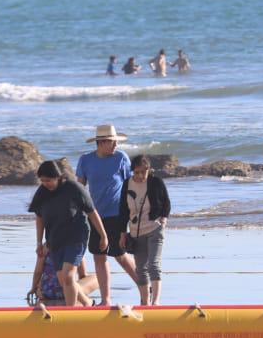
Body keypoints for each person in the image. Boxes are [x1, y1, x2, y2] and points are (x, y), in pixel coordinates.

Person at [76, 124, 141, 306]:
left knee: (119, 254)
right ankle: (106, 299)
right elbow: (80, 186)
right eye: (112, 142)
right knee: (99, 255)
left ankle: (144, 286)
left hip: (117, 213)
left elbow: (131, 184)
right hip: (94, 214)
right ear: (101, 143)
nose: (115, 146)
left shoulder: (121, 158)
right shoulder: (85, 160)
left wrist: (135, 209)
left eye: (115, 142)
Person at [29, 160, 109, 307]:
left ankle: (70, 312)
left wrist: (103, 235)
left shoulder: (73, 188)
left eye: (49, 180)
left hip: (76, 237)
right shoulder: (42, 192)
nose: (46, 183)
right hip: (55, 240)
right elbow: (39, 217)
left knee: (67, 276)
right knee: (63, 279)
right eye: (43, 181)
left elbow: (91, 212)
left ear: (58, 177)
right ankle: (88, 303)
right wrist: (39, 242)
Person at [118, 154, 171, 305]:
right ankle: (145, 302)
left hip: (155, 229)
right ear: (132, 171)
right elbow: (123, 211)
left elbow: (166, 203)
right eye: (137, 172)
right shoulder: (127, 184)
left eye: (144, 172)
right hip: (136, 232)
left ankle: (156, 302)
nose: (141, 176)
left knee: (153, 265)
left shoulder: (156, 182)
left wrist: (164, 219)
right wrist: (123, 234)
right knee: (141, 269)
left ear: (149, 170)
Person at [29, 248, 100, 307]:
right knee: (96, 277)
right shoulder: (75, 246)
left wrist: (34, 288)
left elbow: (38, 272)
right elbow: (82, 275)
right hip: (67, 290)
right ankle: (80, 297)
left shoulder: (45, 246)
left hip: (46, 292)